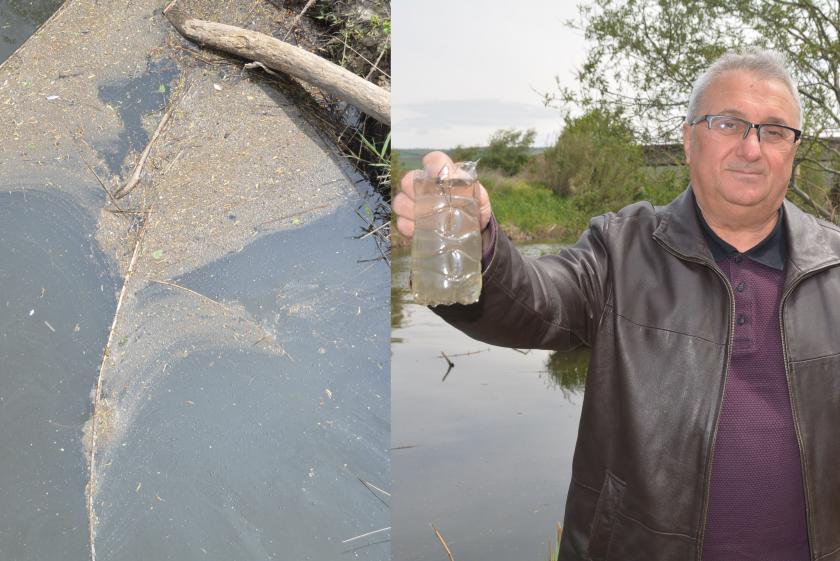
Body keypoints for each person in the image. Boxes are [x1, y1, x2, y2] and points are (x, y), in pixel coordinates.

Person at [393, 49, 840, 561]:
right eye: (728, 123)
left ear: (793, 151)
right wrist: (474, 248)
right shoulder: (620, 250)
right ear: (688, 137)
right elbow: (532, 302)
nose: (751, 147)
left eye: (775, 131)